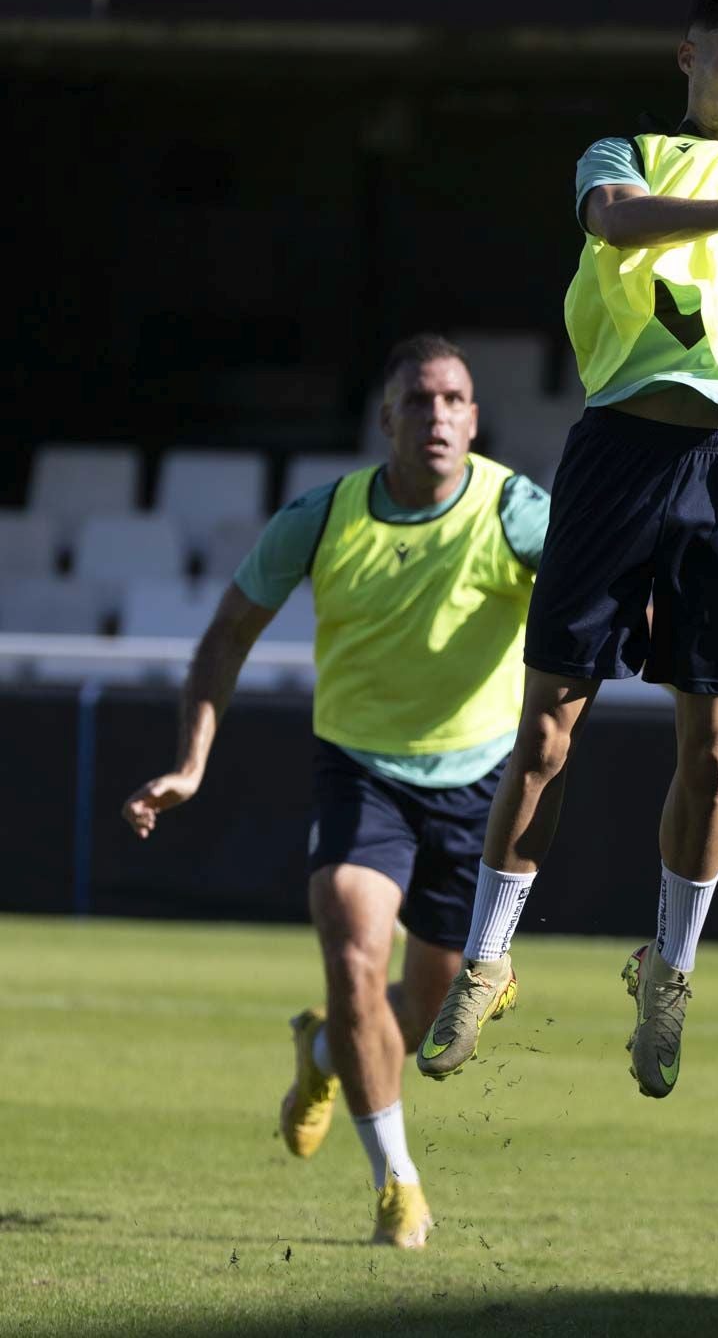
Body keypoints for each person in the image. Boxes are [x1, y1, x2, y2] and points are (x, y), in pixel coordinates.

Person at [417, 0, 718, 1102]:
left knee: (711, 753)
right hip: (617, 456)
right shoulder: (620, 153)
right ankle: (486, 961)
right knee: (547, 737)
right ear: (687, 56)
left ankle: (667, 975)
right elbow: (616, 225)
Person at [119, 333, 551, 1250]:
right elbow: (225, 637)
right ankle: (398, 1182)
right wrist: (193, 761)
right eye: (420, 400)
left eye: (455, 400)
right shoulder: (320, 518)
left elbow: (606, 598)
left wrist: (699, 692)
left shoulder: (515, 509)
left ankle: (321, 1051)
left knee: (430, 1020)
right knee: (355, 957)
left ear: (475, 417)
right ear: (386, 417)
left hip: (479, 782)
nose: (438, 416)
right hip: (360, 774)